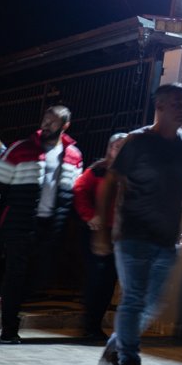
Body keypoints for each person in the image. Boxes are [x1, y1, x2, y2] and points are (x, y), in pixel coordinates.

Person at [95, 82, 182, 365]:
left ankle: (116, 346)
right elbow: (110, 183)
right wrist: (104, 230)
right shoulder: (138, 142)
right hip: (132, 234)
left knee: (151, 304)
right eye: (176, 103)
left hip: (166, 238)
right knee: (133, 299)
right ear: (159, 107)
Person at [0, 105, 84, 343]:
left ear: (65, 125)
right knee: (16, 273)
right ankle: (9, 328)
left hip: (51, 225)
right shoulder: (20, 149)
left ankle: (8, 301)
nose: (46, 125)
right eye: (45, 119)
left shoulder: (74, 155)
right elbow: (1, 185)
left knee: (41, 274)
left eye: (53, 121)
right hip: (20, 222)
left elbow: (74, 191)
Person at [72, 131, 128, 342]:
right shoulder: (97, 171)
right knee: (97, 279)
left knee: (109, 281)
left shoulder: (132, 173)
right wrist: (90, 216)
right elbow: (79, 192)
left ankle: (94, 325)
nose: (120, 150)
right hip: (96, 232)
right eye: (116, 146)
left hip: (120, 235)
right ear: (109, 148)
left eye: (124, 146)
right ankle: (89, 325)